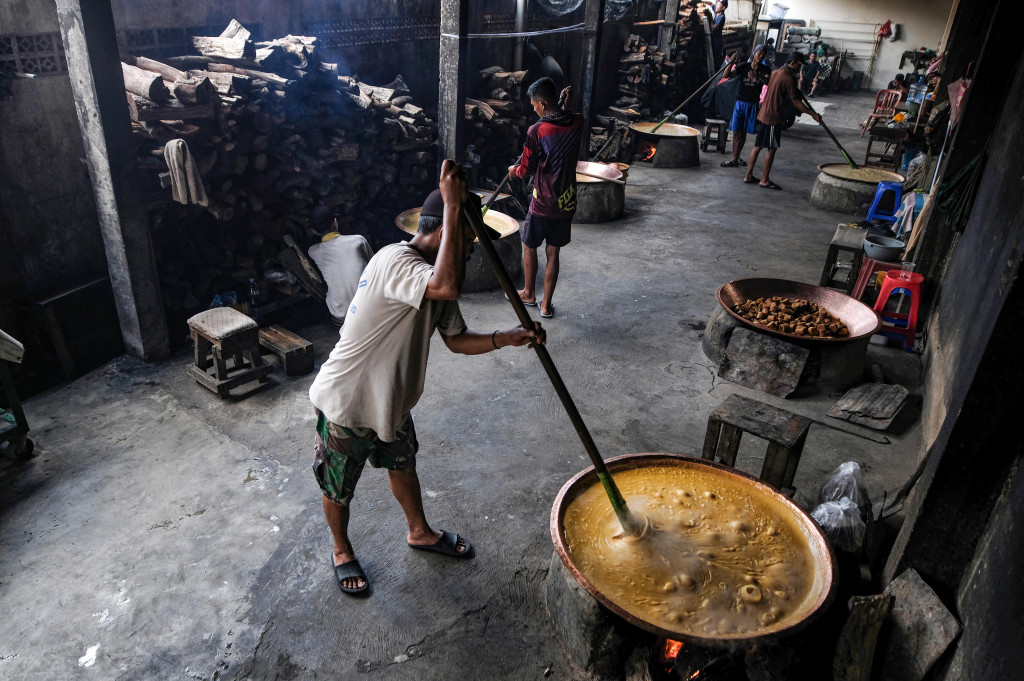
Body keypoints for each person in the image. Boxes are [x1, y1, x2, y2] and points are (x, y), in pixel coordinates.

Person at [308, 161, 546, 595]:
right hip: (349, 399)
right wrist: (454, 205)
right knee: (338, 484)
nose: (470, 250)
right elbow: (446, 286)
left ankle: (419, 531)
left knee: (403, 465)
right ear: (443, 231)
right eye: (468, 241)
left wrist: (506, 338)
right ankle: (341, 550)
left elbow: (456, 340)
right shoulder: (395, 259)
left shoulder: (435, 279)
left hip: (391, 401)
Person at [508, 77, 583, 319]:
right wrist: (565, 107)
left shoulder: (537, 131)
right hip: (566, 201)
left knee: (529, 245)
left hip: (542, 201)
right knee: (553, 251)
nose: (534, 110)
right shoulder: (577, 122)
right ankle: (546, 305)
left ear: (542, 104)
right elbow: (567, 117)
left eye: (534, 105)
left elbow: (526, 169)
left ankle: (529, 293)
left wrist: (513, 171)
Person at [743, 51, 822, 191]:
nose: (799, 68)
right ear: (792, 63)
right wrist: (812, 114)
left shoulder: (776, 73)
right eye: (798, 65)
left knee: (757, 146)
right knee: (771, 148)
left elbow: (771, 84)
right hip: (773, 118)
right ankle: (764, 180)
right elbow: (796, 101)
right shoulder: (788, 78)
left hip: (763, 114)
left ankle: (748, 176)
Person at [306, 208, 374, 326]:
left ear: (313, 231)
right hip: (370, 308)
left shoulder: (313, 251)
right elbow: (375, 268)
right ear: (335, 222)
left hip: (340, 313)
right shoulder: (358, 240)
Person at [721, 45, 770, 168]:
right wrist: (731, 62)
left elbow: (767, 82)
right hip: (740, 103)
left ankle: (736, 157)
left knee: (743, 133)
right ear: (754, 53)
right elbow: (726, 75)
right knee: (736, 131)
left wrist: (757, 75)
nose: (761, 56)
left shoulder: (765, 70)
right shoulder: (743, 66)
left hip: (752, 104)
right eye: (759, 53)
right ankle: (735, 158)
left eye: (764, 54)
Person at [710, 2, 727, 70]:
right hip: (713, 40)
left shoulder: (722, 17)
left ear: (723, 8)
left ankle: (718, 72)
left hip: (717, 41)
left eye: (719, 5)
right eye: (717, 4)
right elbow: (711, 4)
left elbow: (714, 27)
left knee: (717, 59)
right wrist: (701, 1)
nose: (716, 6)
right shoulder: (717, 11)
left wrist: (709, 17)